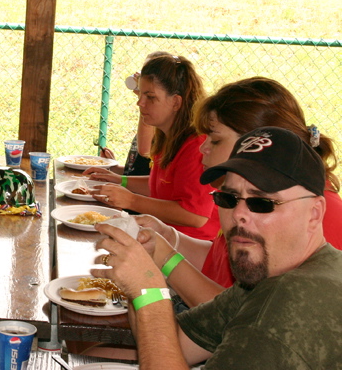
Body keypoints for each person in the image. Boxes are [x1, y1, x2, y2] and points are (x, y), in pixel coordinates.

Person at [95, 126, 342, 369]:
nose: (238, 214)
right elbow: (176, 345)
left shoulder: (287, 309)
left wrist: (149, 292)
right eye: (228, 198)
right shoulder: (270, 275)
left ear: (314, 214)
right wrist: (139, 280)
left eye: (262, 202)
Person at [133, 76, 342, 307]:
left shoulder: (312, 209)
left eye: (215, 139)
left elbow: (240, 316)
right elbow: (219, 263)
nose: (203, 147)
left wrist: (166, 260)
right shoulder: (248, 196)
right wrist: (169, 236)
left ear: (258, 144)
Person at [84, 54, 218, 240]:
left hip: (192, 246)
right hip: (167, 236)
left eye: (150, 97)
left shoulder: (197, 144)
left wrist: (131, 200)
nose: (140, 103)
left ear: (176, 102)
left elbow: (195, 216)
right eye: (140, 94)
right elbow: (161, 186)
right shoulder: (168, 135)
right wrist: (119, 180)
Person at [101, 51, 171, 177]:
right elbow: (137, 172)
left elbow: (145, 150)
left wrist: (143, 97)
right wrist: (112, 168)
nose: (140, 103)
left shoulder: (161, 120)